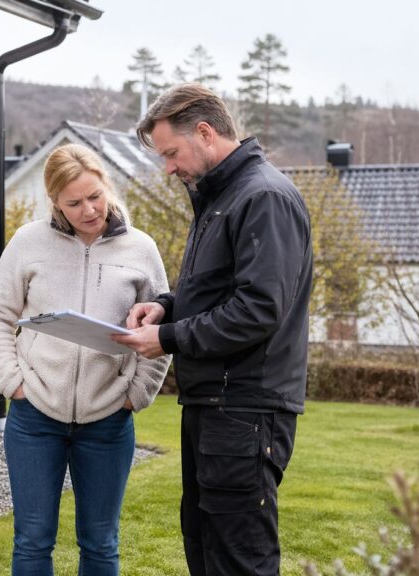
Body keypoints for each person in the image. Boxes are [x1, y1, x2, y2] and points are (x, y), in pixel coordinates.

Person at [112, 83, 313, 576]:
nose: (169, 168)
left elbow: (258, 309)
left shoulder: (263, 197)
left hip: (244, 410)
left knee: (239, 560)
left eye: (172, 153)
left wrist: (168, 339)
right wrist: (165, 308)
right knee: (205, 550)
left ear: (204, 132)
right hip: (215, 407)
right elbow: (218, 291)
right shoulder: (221, 198)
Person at [0, 143, 170, 576]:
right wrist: (14, 384)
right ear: (55, 203)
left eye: (95, 196)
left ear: (106, 186)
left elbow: (160, 328)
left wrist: (136, 394)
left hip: (108, 420)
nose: (89, 210)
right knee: (32, 541)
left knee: (101, 544)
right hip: (34, 418)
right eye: (74, 202)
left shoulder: (140, 249)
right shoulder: (29, 242)